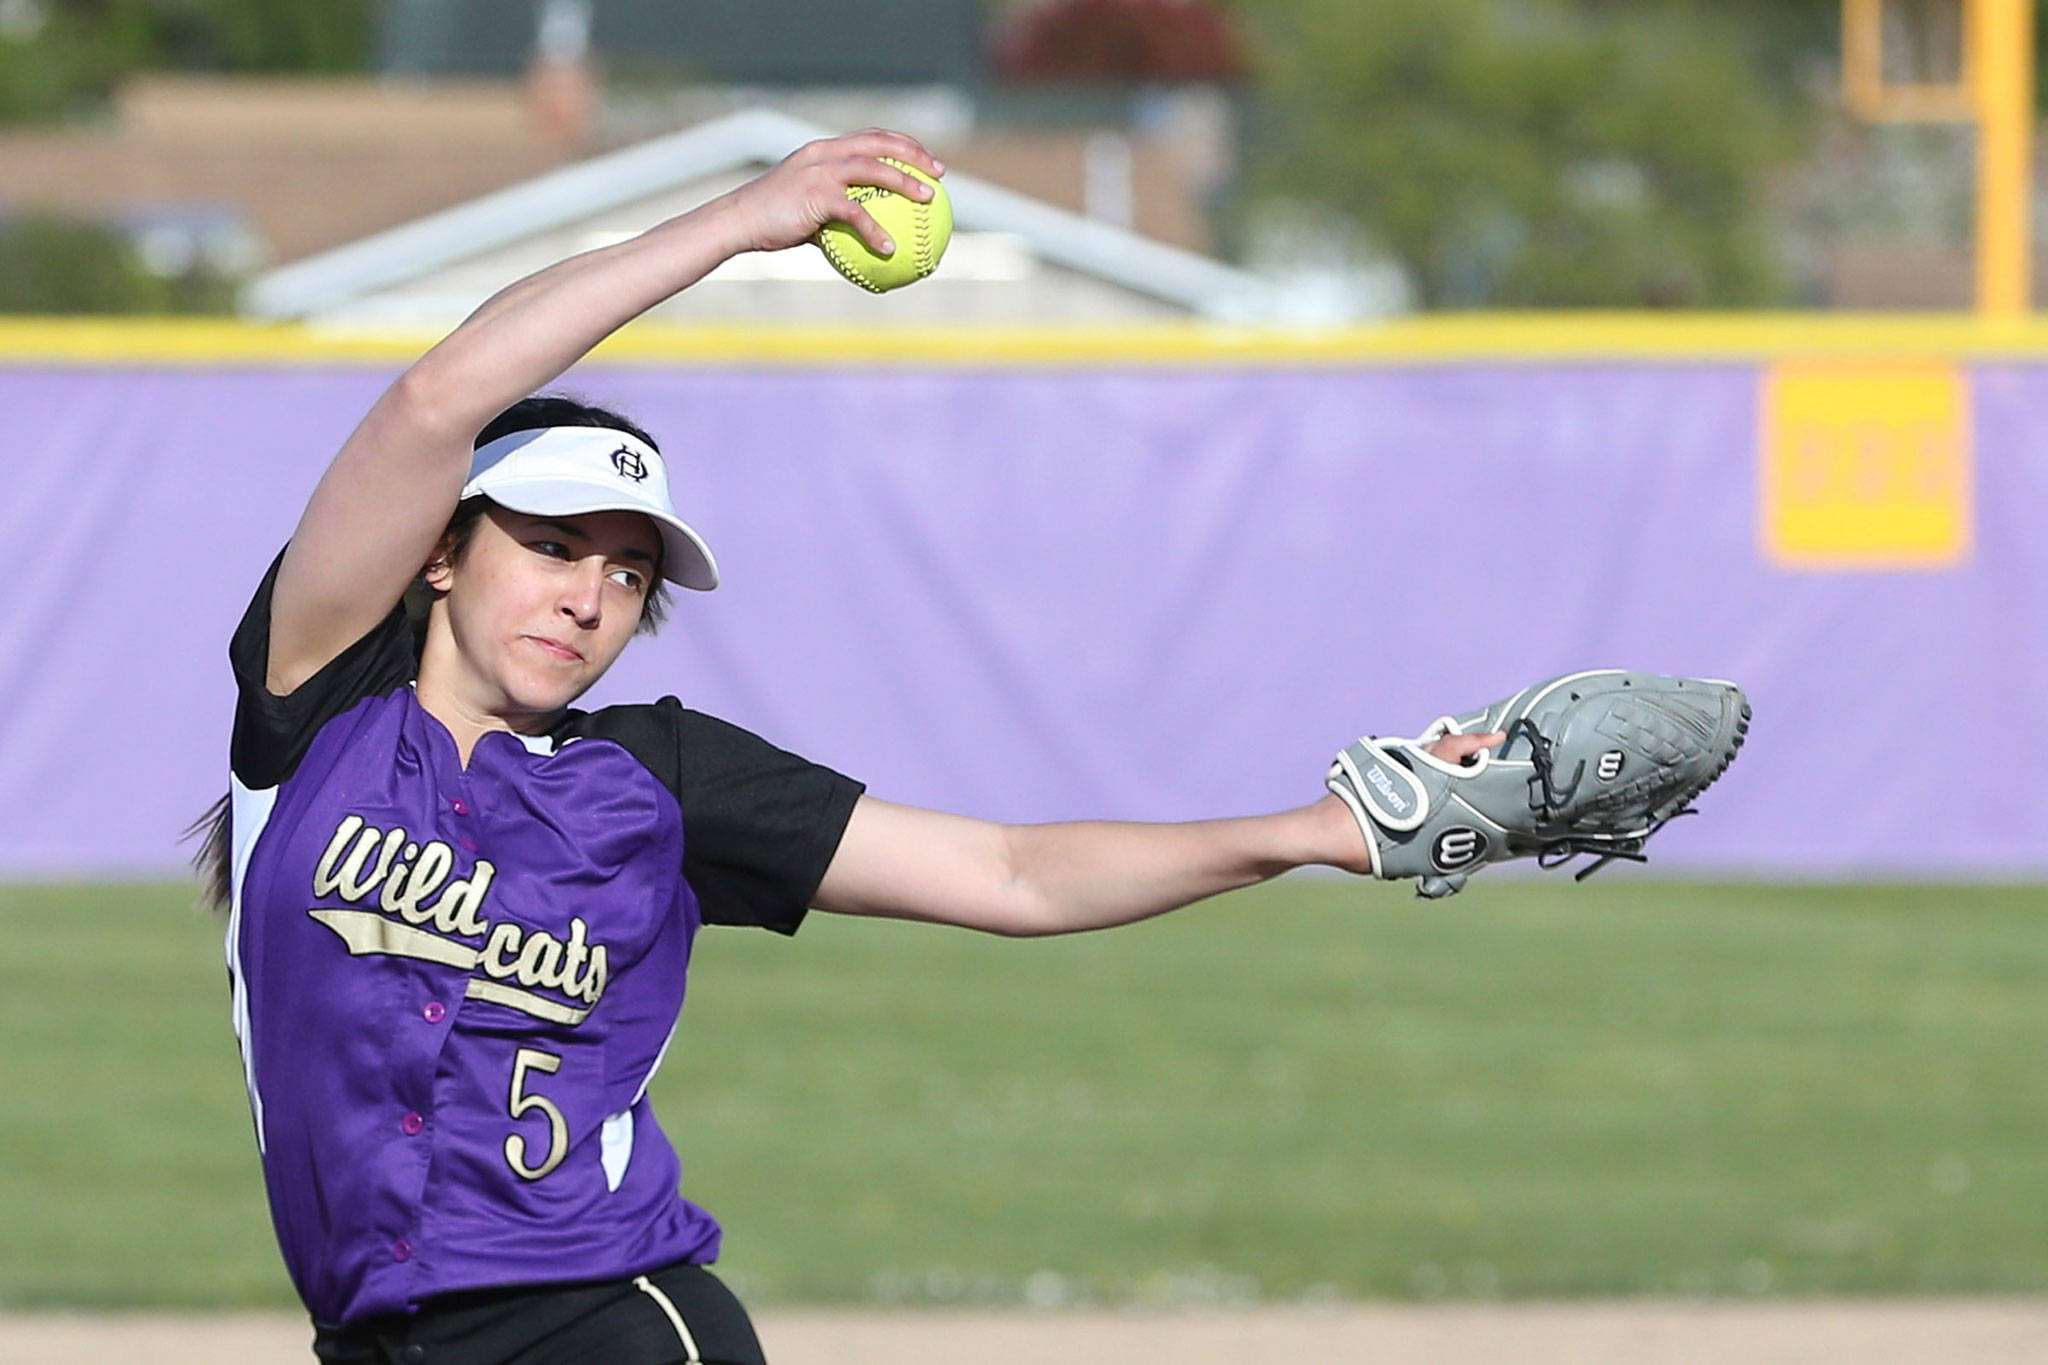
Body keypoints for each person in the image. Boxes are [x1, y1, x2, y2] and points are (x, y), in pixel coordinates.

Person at [195, 129, 1499, 1365]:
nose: (587, 596)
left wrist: (1318, 833)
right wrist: (741, 224)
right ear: (440, 552)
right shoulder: (313, 720)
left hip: (602, 1322)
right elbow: (436, 400)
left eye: (630, 571)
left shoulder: (654, 781)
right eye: (550, 544)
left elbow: (1009, 872)